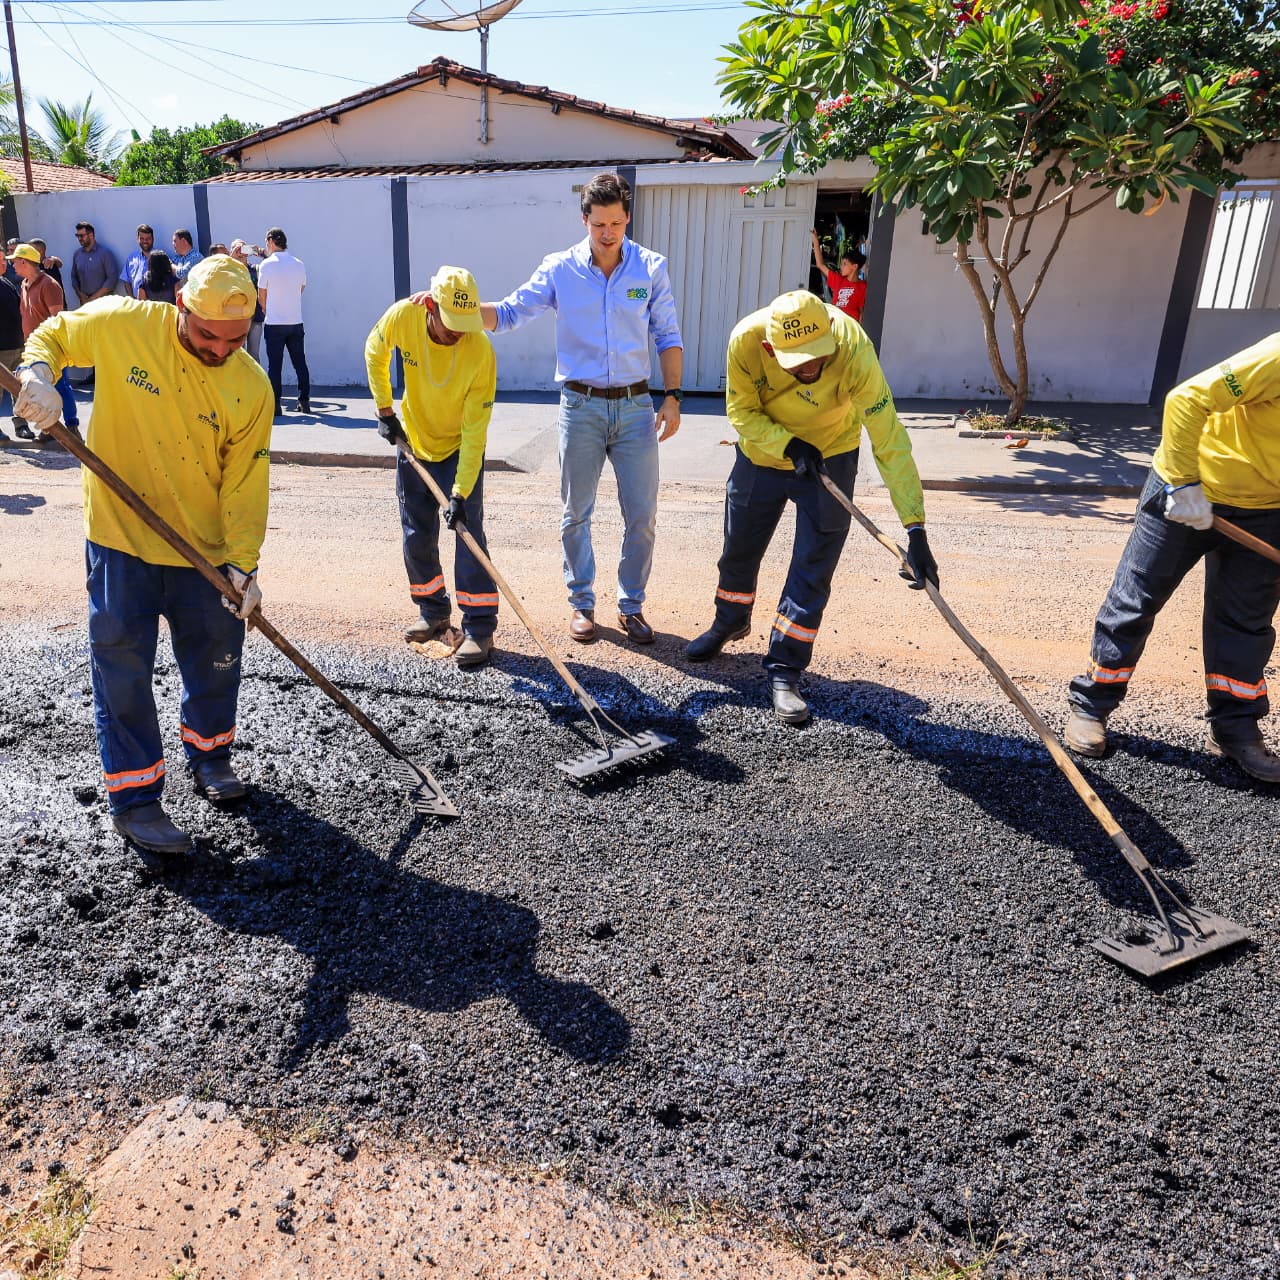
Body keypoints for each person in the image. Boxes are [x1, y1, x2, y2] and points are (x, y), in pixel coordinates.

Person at [13, 255, 274, 855]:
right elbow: (54, 334)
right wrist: (38, 375)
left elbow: (244, 482)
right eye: (208, 334)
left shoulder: (249, 384)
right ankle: (135, 799)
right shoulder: (125, 324)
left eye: (235, 339)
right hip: (119, 540)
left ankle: (210, 756)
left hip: (202, 553)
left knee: (215, 659)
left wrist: (243, 564)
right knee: (122, 669)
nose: (219, 349)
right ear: (181, 305)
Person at [418, 172, 682, 645]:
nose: (608, 233)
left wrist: (674, 396)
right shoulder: (561, 269)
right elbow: (512, 312)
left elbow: (667, 334)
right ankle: (581, 604)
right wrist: (451, 308)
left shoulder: (650, 268)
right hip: (580, 406)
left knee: (641, 515)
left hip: (636, 407)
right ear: (584, 219)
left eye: (617, 223)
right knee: (575, 513)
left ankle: (631, 605)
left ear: (627, 218)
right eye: (599, 223)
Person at [686, 290, 938, 726]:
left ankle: (785, 668)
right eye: (798, 360)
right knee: (739, 548)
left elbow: (889, 439)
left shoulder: (853, 346)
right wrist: (787, 445)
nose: (811, 368)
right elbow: (741, 413)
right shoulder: (746, 341)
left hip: (832, 454)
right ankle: (730, 619)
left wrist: (916, 529)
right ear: (771, 348)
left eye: (817, 356)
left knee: (813, 565)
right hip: (763, 455)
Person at [1064, 333, 1280, 782]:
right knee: (1136, 600)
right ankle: (1092, 705)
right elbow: (1187, 398)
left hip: (1268, 510)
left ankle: (1235, 729)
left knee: (1244, 623)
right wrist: (1182, 484)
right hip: (1190, 489)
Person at [366, 266, 500, 668]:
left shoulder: (480, 351)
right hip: (415, 441)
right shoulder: (403, 316)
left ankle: (479, 626)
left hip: (458, 449)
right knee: (416, 535)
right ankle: (433, 610)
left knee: (468, 536)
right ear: (429, 305)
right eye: (450, 324)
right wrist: (386, 411)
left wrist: (459, 492)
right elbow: (375, 350)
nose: (457, 333)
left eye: (465, 324)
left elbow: (476, 434)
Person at [11, 244, 80, 434]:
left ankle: (72, 426)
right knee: (42, 389)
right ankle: (48, 431)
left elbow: (57, 320)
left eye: (15, 261)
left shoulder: (49, 285)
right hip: (32, 347)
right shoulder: (25, 285)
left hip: (51, 347)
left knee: (60, 385)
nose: (13, 265)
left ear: (24, 261)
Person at [256, 227, 309, 415]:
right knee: (300, 362)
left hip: (274, 322)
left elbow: (261, 293)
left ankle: (276, 404)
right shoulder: (298, 263)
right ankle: (304, 400)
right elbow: (301, 288)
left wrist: (265, 307)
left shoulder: (266, 265)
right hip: (295, 321)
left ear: (271, 241)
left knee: (275, 366)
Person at [810, 229, 867, 324]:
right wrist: (815, 240)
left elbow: (861, 311)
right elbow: (820, 265)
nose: (841, 266)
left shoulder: (862, 286)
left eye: (844, 264)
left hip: (850, 326)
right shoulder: (838, 280)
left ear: (855, 266)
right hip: (834, 324)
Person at [229, 239, 264, 363]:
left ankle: (255, 382)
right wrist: (232, 257)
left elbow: (272, 262)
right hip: (237, 319)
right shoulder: (229, 270)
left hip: (255, 318)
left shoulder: (255, 269)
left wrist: (257, 251)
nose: (240, 251)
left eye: (243, 248)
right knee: (238, 356)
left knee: (254, 356)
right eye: (236, 248)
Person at [70, 221, 118, 307]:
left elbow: (112, 279)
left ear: (91, 235)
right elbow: (74, 277)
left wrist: (93, 298)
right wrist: (80, 294)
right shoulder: (77, 254)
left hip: (103, 304)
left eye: (82, 236)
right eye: (77, 236)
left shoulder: (105, 253)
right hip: (84, 304)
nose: (79, 238)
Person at [0, 248, 21, 441]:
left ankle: (21, 424)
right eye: (0, 260)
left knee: (19, 388)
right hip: (1, 348)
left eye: (4, 260)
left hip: (16, 344)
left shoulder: (6, 281)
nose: (4, 263)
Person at [120, 223, 155, 297]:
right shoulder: (131, 258)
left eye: (148, 238)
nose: (145, 241)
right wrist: (132, 299)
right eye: (142, 238)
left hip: (154, 305)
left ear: (153, 239)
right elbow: (126, 280)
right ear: (137, 239)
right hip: (136, 304)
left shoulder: (161, 257)